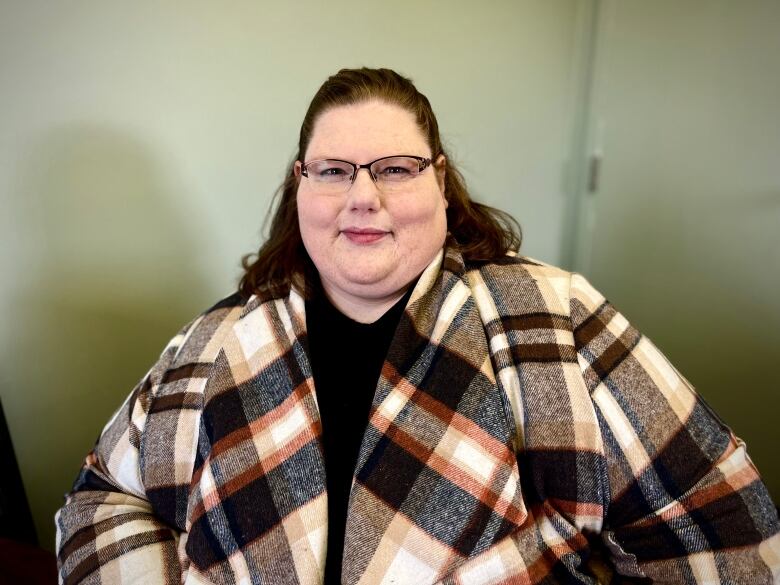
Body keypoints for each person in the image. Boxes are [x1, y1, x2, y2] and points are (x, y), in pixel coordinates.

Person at [56, 68, 780, 585]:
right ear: (298, 185)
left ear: (440, 181)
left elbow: (729, 529)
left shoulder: (552, 317)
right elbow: (100, 499)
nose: (363, 196)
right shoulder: (214, 341)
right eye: (334, 170)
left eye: (395, 169)